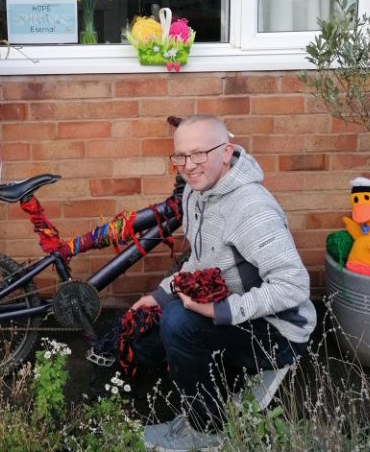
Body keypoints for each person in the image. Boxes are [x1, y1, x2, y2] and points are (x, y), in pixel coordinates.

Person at [132, 115, 316, 451]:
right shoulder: (196, 193)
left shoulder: (251, 206)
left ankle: (207, 429)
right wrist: (161, 294)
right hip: (236, 306)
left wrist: (220, 310)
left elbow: (293, 286)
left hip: (281, 329)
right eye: (181, 156)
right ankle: (219, 372)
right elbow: (201, 262)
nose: (189, 165)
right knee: (144, 336)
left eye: (200, 154)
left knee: (177, 323)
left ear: (226, 151)